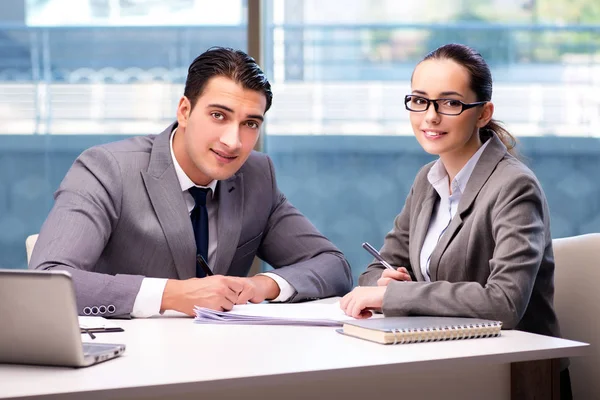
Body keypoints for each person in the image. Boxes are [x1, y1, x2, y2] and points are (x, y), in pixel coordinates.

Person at [30, 47, 352, 319]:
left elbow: (333, 266)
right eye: (218, 116)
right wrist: (171, 294)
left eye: (250, 123)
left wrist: (260, 286)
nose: (233, 141)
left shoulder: (257, 175)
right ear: (185, 111)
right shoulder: (107, 168)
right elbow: (47, 281)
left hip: (221, 364)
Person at [339, 43, 571, 398]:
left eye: (449, 103)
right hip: (444, 362)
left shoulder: (513, 185)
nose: (430, 116)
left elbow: (504, 303)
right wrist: (386, 280)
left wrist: (397, 295)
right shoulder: (427, 180)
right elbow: (376, 271)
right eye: (419, 100)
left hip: (512, 375)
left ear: (482, 113)